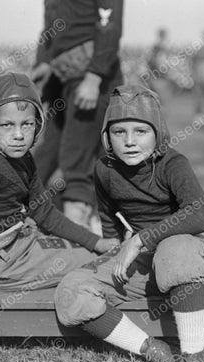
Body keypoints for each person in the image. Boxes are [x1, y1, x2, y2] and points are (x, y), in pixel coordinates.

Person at [54, 85, 204, 362]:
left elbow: (200, 215)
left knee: (174, 251)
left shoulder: (173, 164)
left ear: (157, 133)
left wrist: (141, 239)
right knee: (71, 291)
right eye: (119, 132)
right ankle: (153, 349)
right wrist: (116, 245)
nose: (130, 141)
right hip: (147, 256)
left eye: (140, 131)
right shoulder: (105, 170)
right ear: (107, 136)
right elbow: (108, 214)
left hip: (194, 247)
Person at [0, 73, 118, 320]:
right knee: (95, 264)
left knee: (94, 252)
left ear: (38, 124)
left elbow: (44, 212)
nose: (19, 135)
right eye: (7, 125)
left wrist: (96, 241)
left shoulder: (24, 157)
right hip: (4, 261)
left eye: (27, 124)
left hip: (23, 243)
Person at [31, 0, 123, 229]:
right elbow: (49, 28)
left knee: (77, 160)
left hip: (90, 80)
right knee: (47, 153)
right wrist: (42, 61)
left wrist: (94, 77)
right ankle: (16, 215)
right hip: (62, 79)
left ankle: (80, 235)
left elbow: (109, 25)